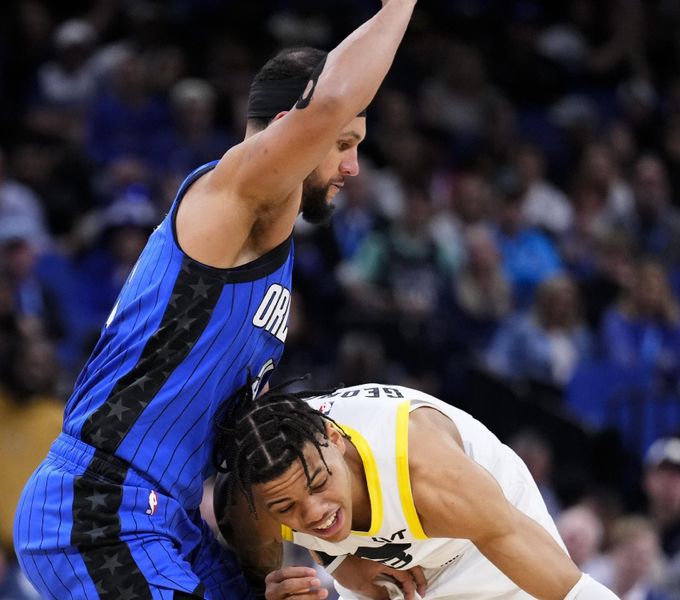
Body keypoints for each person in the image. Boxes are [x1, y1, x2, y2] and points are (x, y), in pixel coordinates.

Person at [13, 1, 419, 598]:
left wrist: (331, 564)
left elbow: (253, 470)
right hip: (100, 507)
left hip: (169, 518)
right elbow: (329, 101)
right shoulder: (229, 198)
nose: (354, 166)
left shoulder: (265, 244)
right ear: (292, 128)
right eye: (346, 143)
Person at [214, 383, 622, 599]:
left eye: (320, 485)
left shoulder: (425, 469)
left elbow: (571, 592)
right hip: (393, 563)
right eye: (287, 506)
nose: (315, 513)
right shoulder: (253, 503)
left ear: (335, 438)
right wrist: (340, 567)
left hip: (477, 545)